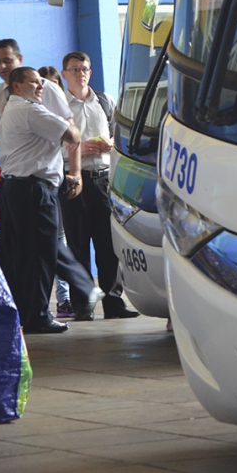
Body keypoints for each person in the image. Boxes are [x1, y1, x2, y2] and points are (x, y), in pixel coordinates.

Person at [0, 39, 102, 321]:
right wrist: (10, 121)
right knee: (22, 251)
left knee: (46, 247)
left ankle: (44, 308)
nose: (3, 66)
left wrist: (75, 172)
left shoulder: (47, 89)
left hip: (41, 179)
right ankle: (29, 311)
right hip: (16, 182)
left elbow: (71, 130)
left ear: (19, 59)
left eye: (8, 60)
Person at [0, 67, 81, 333]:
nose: (40, 88)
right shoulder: (30, 110)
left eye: (41, 83)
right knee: (41, 254)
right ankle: (38, 315)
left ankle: (24, 312)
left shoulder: (12, 109)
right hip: (34, 190)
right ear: (17, 86)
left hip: (15, 188)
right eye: (34, 83)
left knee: (21, 254)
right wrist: (66, 116)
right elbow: (73, 136)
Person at [61, 51, 138, 319]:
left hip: (103, 178)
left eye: (84, 69)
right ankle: (83, 305)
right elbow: (51, 145)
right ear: (64, 74)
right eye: (74, 69)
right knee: (78, 245)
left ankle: (114, 303)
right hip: (74, 179)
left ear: (90, 72)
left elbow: (119, 135)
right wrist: (79, 148)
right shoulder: (60, 105)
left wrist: (110, 145)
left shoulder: (104, 102)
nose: (80, 73)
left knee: (108, 245)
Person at [39, 65, 74, 319]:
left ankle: (66, 298)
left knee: (61, 240)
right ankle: (54, 301)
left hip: (64, 180)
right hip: (43, 185)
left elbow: (75, 139)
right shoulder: (35, 116)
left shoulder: (65, 116)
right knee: (51, 243)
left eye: (55, 86)